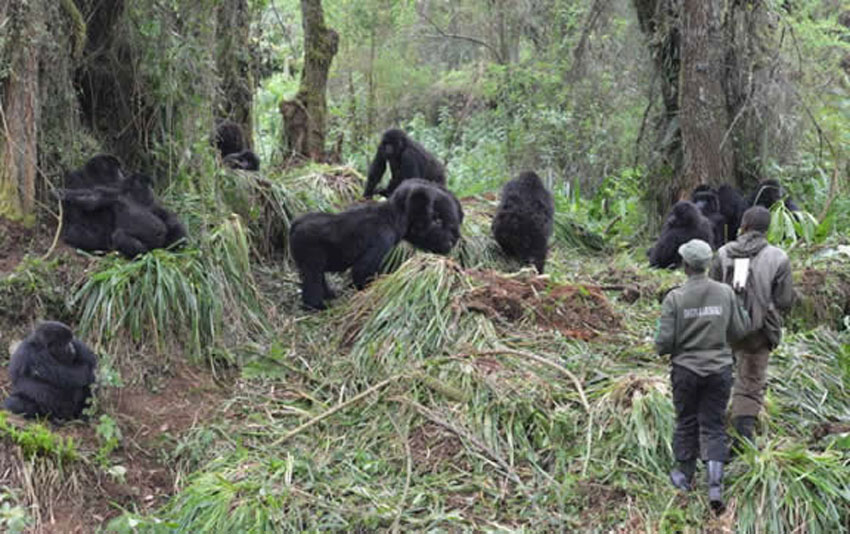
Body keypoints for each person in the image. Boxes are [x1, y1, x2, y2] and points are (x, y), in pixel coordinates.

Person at [656, 239, 751, 512]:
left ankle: (684, 477)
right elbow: (740, 332)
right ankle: (715, 486)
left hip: (685, 371)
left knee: (686, 422)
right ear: (708, 264)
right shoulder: (725, 293)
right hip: (719, 370)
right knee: (713, 424)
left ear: (685, 266)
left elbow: (663, 343)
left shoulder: (674, 298)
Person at [709, 206, 794, 447]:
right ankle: (742, 436)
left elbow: (712, 290)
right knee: (751, 381)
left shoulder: (723, 253)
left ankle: (713, 430)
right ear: (767, 230)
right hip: (760, 331)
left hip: (725, 328)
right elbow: (785, 300)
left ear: (743, 225)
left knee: (721, 374)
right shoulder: (779, 257)